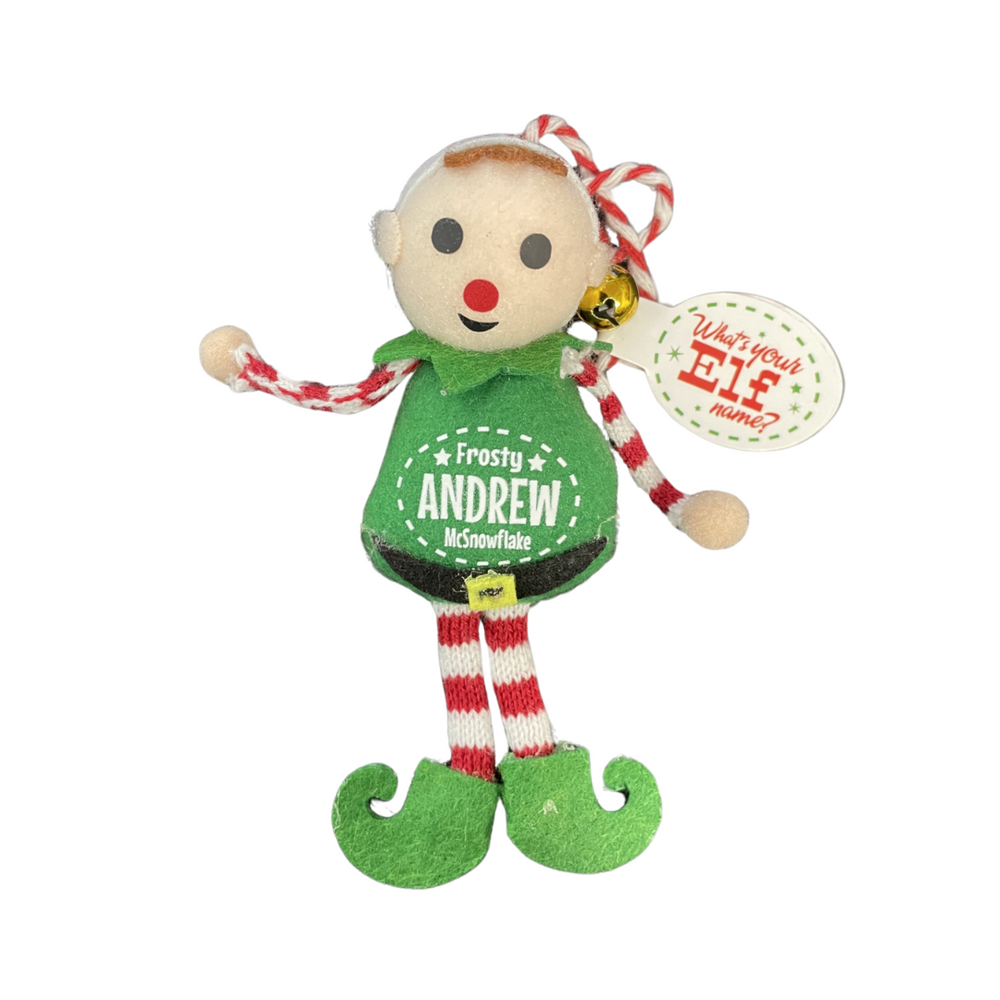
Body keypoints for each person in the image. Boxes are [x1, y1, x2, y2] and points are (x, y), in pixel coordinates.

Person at [200, 133, 748, 887]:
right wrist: (254, 373)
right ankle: (481, 780)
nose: (483, 288)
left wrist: (678, 504)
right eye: (449, 240)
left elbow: (626, 435)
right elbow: (344, 396)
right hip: (437, 547)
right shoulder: (422, 357)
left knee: (497, 633)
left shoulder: (569, 363)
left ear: (592, 270)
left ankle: (518, 782)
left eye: (533, 253)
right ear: (393, 242)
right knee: (470, 631)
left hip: (533, 547)